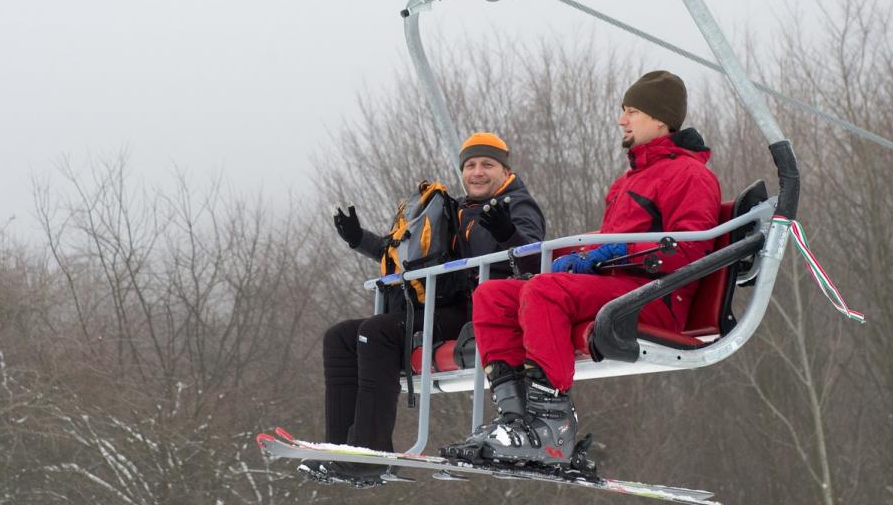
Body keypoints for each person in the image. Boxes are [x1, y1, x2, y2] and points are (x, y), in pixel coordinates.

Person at [441, 71, 721, 470]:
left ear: (661, 120)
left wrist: (608, 253)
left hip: (652, 297)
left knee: (545, 291)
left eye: (632, 111)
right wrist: (583, 255)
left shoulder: (690, 176)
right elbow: (611, 240)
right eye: (623, 111)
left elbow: (689, 249)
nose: (622, 120)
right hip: (613, 290)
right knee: (493, 295)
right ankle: (516, 419)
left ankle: (551, 424)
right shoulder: (629, 181)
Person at [305, 132, 546, 483]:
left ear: (504, 169)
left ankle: (369, 455)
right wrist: (361, 240)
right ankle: (342, 448)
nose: (477, 172)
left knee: (377, 332)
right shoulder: (462, 209)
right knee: (340, 337)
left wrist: (507, 231)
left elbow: (536, 261)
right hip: (450, 303)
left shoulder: (516, 204)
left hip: (486, 311)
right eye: (471, 165)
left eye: (487, 165)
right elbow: (417, 258)